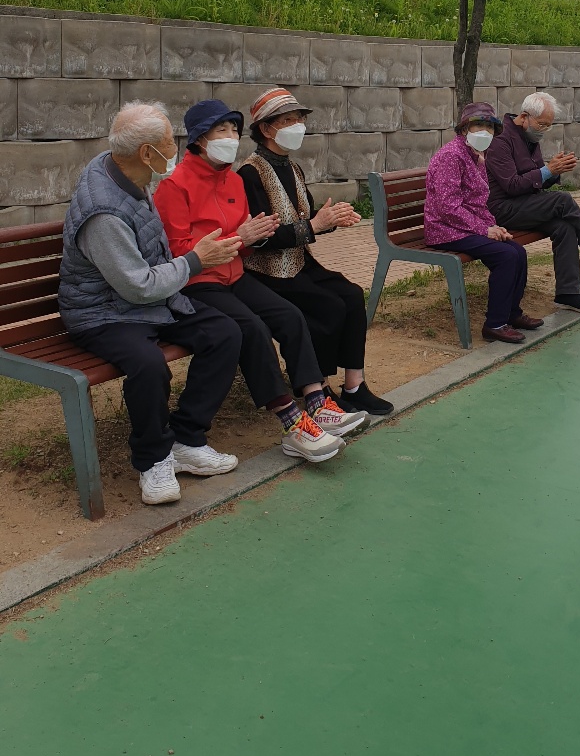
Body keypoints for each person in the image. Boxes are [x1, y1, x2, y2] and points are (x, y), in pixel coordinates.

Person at [154, 99, 368, 464]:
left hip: (235, 274)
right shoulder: (175, 187)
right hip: (198, 283)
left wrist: (251, 239)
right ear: (199, 139)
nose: (231, 137)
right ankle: (292, 423)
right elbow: (179, 253)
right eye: (221, 130)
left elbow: (248, 243)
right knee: (251, 328)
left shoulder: (234, 180)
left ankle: (317, 402)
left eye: (234, 130)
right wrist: (239, 238)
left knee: (289, 316)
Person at [58, 101, 245, 506]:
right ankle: (153, 459)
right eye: (169, 142)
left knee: (224, 333)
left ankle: (186, 439)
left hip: (144, 301)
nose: (176, 149)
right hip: (101, 313)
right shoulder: (103, 213)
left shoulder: (126, 171)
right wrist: (196, 260)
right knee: (148, 364)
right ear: (146, 153)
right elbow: (137, 287)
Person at [238, 86, 393, 417]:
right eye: (288, 120)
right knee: (327, 306)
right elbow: (261, 238)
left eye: (299, 119)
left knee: (351, 295)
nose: (297, 126)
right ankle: (318, 391)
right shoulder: (250, 173)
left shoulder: (292, 167)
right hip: (268, 271)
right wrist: (316, 225)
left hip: (299, 262)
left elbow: (307, 216)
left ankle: (354, 386)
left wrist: (332, 219)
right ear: (265, 129)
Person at [486, 92, 580, 314]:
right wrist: (547, 171)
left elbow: (536, 179)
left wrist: (554, 171)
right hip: (503, 209)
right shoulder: (500, 141)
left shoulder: (530, 138)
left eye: (548, 125)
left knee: (564, 226)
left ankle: (568, 294)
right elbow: (512, 185)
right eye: (542, 124)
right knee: (562, 200)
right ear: (524, 117)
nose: (544, 130)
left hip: (526, 204)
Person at [423, 101, 543, 345]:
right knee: (505, 256)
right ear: (464, 128)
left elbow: (478, 203)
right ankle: (495, 324)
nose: (485, 132)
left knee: (517, 252)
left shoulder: (476, 156)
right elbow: (448, 207)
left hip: (464, 227)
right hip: (444, 230)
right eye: (479, 125)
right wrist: (484, 229)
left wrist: (494, 227)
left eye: (489, 128)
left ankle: (512, 314)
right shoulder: (451, 156)